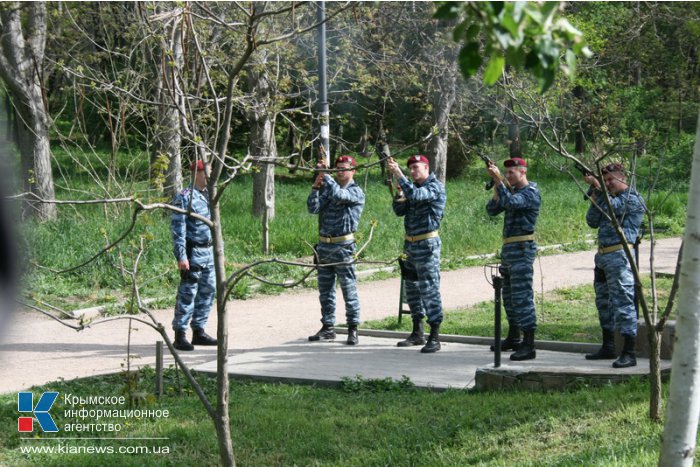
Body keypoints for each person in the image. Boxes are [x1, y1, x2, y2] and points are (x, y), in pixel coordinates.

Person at [583, 162, 645, 368]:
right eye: (605, 180)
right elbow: (591, 220)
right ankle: (608, 346)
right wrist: (595, 193)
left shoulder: (632, 198)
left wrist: (599, 188)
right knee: (603, 303)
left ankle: (629, 351)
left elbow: (614, 209)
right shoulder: (606, 197)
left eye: (611, 179)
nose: (608, 183)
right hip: (603, 257)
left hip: (620, 256)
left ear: (623, 178)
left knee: (623, 304)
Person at [387, 155, 447, 353]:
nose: (412, 171)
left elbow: (418, 196)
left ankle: (435, 335)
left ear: (426, 168)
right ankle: (417, 331)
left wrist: (399, 174)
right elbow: (399, 210)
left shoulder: (434, 186)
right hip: (410, 245)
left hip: (427, 244)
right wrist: (399, 194)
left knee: (429, 289)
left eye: (416, 168)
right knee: (411, 289)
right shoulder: (412, 188)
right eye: (410, 168)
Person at [486, 157, 540, 361]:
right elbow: (492, 210)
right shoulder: (512, 191)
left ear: (523, 172)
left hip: (522, 248)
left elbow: (509, 202)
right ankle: (514, 336)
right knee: (508, 296)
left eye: (511, 173)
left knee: (522, 296)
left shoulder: (531, 193)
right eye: (506, 172)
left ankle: (529, 343)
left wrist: (499, 181)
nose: (508, 176)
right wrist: (497, 186)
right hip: (509, 248)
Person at [307, 155, 365, 345]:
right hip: (324, 245)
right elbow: (313, 208)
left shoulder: (356, 192)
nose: (340, 171)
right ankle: (328, 327)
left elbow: (340, 196)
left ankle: (353, 328)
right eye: (337, 168)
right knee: (325, 290)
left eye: (344, 168)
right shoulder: (329, 189)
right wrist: (316, 186)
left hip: (343, 246)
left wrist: (326, 174)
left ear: (353, 171)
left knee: (348, 289)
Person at [170, 160, 218, 351]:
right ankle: (180, 334)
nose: (209, 177)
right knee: (188, 293)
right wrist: (181, 256)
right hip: (193, 252)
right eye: (206, 172)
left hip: (209, 252)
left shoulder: (208, 196)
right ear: (196, 173)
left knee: (208, 290)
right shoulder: (185, 197)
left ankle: (198, 330)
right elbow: (178, 230)